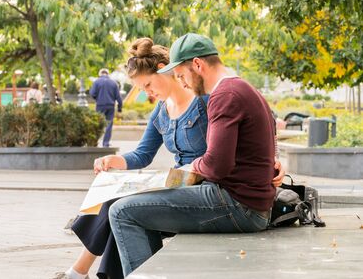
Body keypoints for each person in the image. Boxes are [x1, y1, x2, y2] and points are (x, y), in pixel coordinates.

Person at [108, 33, 284, 277]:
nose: (183, 83)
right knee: (135, 207)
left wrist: (189, 168)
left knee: (122, 212)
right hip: (248, 202)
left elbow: (216, 165)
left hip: (237, 205)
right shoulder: (241, 87)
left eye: (181, 75)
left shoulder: (224, 95)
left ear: (198, 65)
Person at [58, 38, 209, 279]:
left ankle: (78, 272)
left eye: (149, 85)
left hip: (201, 185)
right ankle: (80, 272)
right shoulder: (160, 111)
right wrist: (113, 161)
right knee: (115, 201)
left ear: (163, 70)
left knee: (119, 207)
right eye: (143, 90)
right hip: (178, 181)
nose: (148, 93)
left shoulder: (203, 101)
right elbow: (142, 154)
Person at [89, 68, 123, 148]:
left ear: (100, 74)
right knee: (109, 124)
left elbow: (92, 93)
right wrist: (119, 108)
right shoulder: (113, 83)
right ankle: (105, 143)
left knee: (97, 124)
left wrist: (97, 98)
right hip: (110, 106)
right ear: (108, 74)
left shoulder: (96, 82)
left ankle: (95, 142)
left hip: (100, 106)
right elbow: (118, 97)